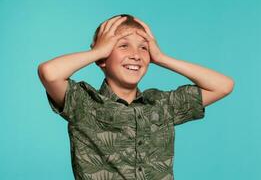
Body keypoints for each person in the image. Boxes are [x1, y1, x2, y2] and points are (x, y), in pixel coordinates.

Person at [38, 13, 234, 180]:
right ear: (102, 58)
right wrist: (99, 51)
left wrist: (162, 58)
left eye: (143, 47)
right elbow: (49, 72)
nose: (136, 54)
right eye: (123, 45)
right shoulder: (83, 103)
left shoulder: (162, 104)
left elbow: (223, 86)